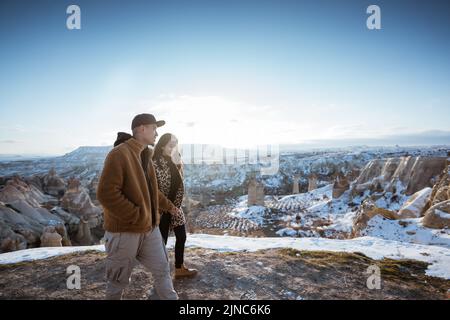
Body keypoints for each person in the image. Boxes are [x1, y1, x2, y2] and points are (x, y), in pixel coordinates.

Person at [97, 113, 180, 300]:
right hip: (124, 232)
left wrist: (168, 206)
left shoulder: (144, 155)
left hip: (149, 229)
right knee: (117, 282)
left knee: (162, 270)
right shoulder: (119, 154)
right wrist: (138, 215)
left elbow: (152, 191)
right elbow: (106, 193)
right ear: (141, 129)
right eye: (154, 129)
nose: (157, 134)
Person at [153, 133, 198, 279]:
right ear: (162, 145)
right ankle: (160, 274)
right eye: (170, 145)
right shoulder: (154, 163)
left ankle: (179, 268)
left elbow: (178, 183)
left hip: (176, 207)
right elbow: (155, 189)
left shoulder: (175, 160)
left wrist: (178, 162)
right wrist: (166, 206)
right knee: (162, 242)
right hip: (163, 208)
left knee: (181, 236)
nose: (173, 148)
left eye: (175, 145)